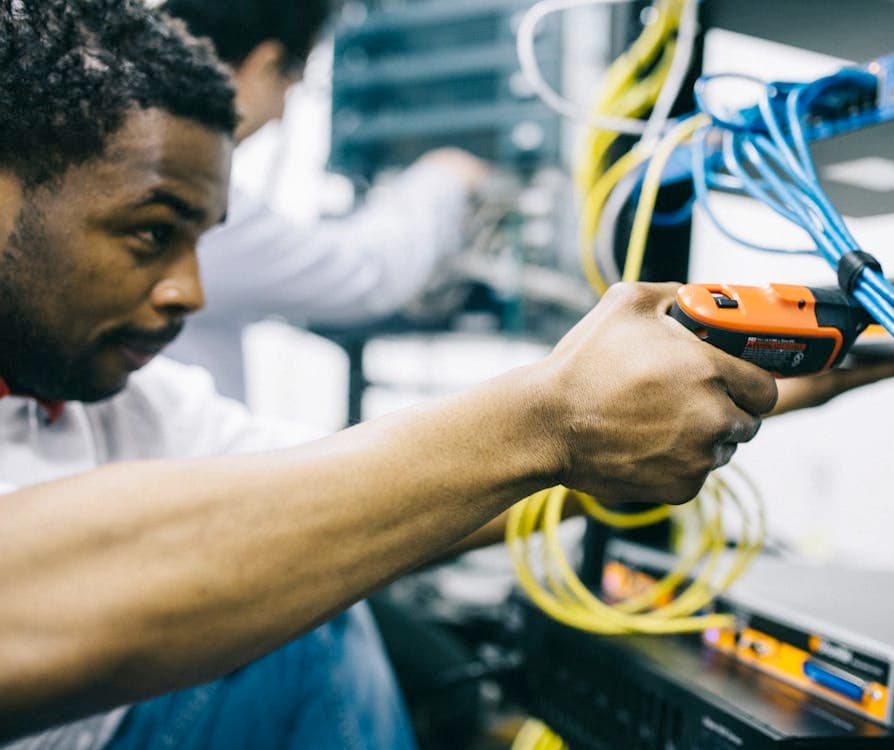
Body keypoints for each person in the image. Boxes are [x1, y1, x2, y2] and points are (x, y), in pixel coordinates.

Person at [0, 2, 781, 748]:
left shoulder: (118, 397)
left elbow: (351, 487)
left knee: (311, 596)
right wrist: (551, 419)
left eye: (199, 242)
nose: (190, 292)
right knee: (303, 622)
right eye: (151, 233)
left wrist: (672, 408)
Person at [158, 0, 492, 401]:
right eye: (289, 84)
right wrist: (445, 175)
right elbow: (363, 273)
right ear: (267, 64)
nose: (281, 115)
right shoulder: (191, 198)